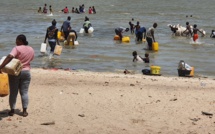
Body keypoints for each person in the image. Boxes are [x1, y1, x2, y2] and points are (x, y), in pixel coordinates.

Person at [0, 34, 35, 117]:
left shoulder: (17, 48)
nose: (16, 42)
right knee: (24, 92)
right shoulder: (31, 49)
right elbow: (31, 59)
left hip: (15, 72)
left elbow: (10, 56)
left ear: (21, 41)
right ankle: (24, 111)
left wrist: (1, 66)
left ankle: (12, 111)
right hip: (26, 72)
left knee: (13, 92)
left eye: (17, 40)